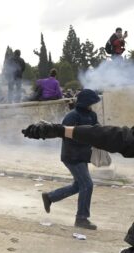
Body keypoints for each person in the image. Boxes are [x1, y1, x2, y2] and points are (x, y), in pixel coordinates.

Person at [21, 121, 134, 253]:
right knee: (84, 185)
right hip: (74, 158)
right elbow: (113, 136)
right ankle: (70, 210)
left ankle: (68, 208)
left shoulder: (89, 115)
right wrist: (61, 131)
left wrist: (60, 130)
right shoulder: (74, 114)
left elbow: (120, 137)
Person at [39, 89, 100, 230]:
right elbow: (65, 135)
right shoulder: (72, 116)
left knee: (78, 186)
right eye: (91, 102)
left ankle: (50, 197)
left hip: (83, 156)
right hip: (72, 156)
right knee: (87, 185)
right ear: (86, 102)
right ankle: (81, 219)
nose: (93, 105)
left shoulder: (92, 115)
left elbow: (97, 131)